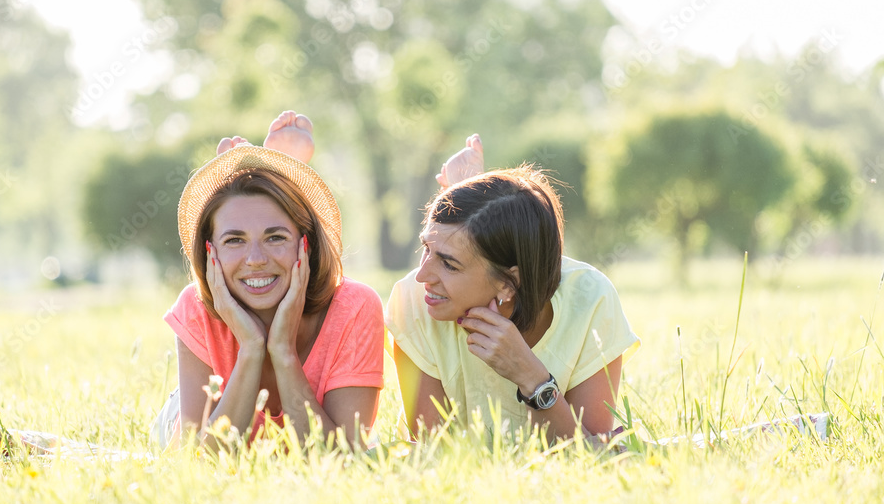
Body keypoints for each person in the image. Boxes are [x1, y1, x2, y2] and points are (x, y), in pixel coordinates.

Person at [152, 111, 385, 452]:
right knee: (160, 463)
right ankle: (273, 172)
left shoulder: (354, 306)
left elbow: (340, 459)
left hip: (329, 424)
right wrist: (250, 348)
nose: (256, 259)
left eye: (275, 237)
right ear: (210, 252)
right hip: (195, 420)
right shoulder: (196, 307)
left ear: (307, 244)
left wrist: (282, 353)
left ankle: (271, 173)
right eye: (234, 240)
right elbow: (199, 462)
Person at [386, 135, 640, 441]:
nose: (422, 276)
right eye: (426, 248)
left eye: (449, 264)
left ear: (509, 284)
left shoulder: (590, 300)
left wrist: (531, 378)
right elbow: (434, 452)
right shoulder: (413, 302)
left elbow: (594, 455)